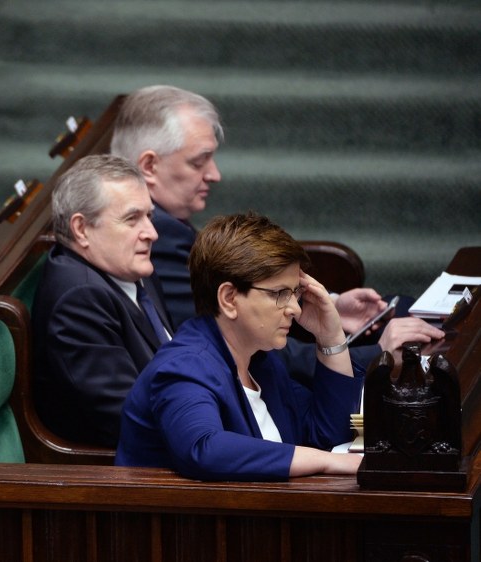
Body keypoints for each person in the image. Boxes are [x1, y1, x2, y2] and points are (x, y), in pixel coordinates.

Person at [109, 85, 444, 372]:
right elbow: (228, 342)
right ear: (150, 166)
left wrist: (326, 308)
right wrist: (371, 355)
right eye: (199, 161)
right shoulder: (158, 235)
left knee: (408, 312)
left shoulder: (167, 222)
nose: (214, 174)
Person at [116, 212, 364, 480]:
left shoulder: (261, 362)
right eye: (280, 294)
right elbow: (204, 449)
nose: (294, 308)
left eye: (296, 293)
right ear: (229, 298)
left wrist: (331, 337)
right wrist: (324, 461)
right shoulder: (184, 367)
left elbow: (329, 435)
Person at [32, 154, 173, 448]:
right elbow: (133, 421)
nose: (152, 233)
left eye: (150, 216)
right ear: (82, 229)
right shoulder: (79, 300)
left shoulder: (132, 267)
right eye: (132, 219)